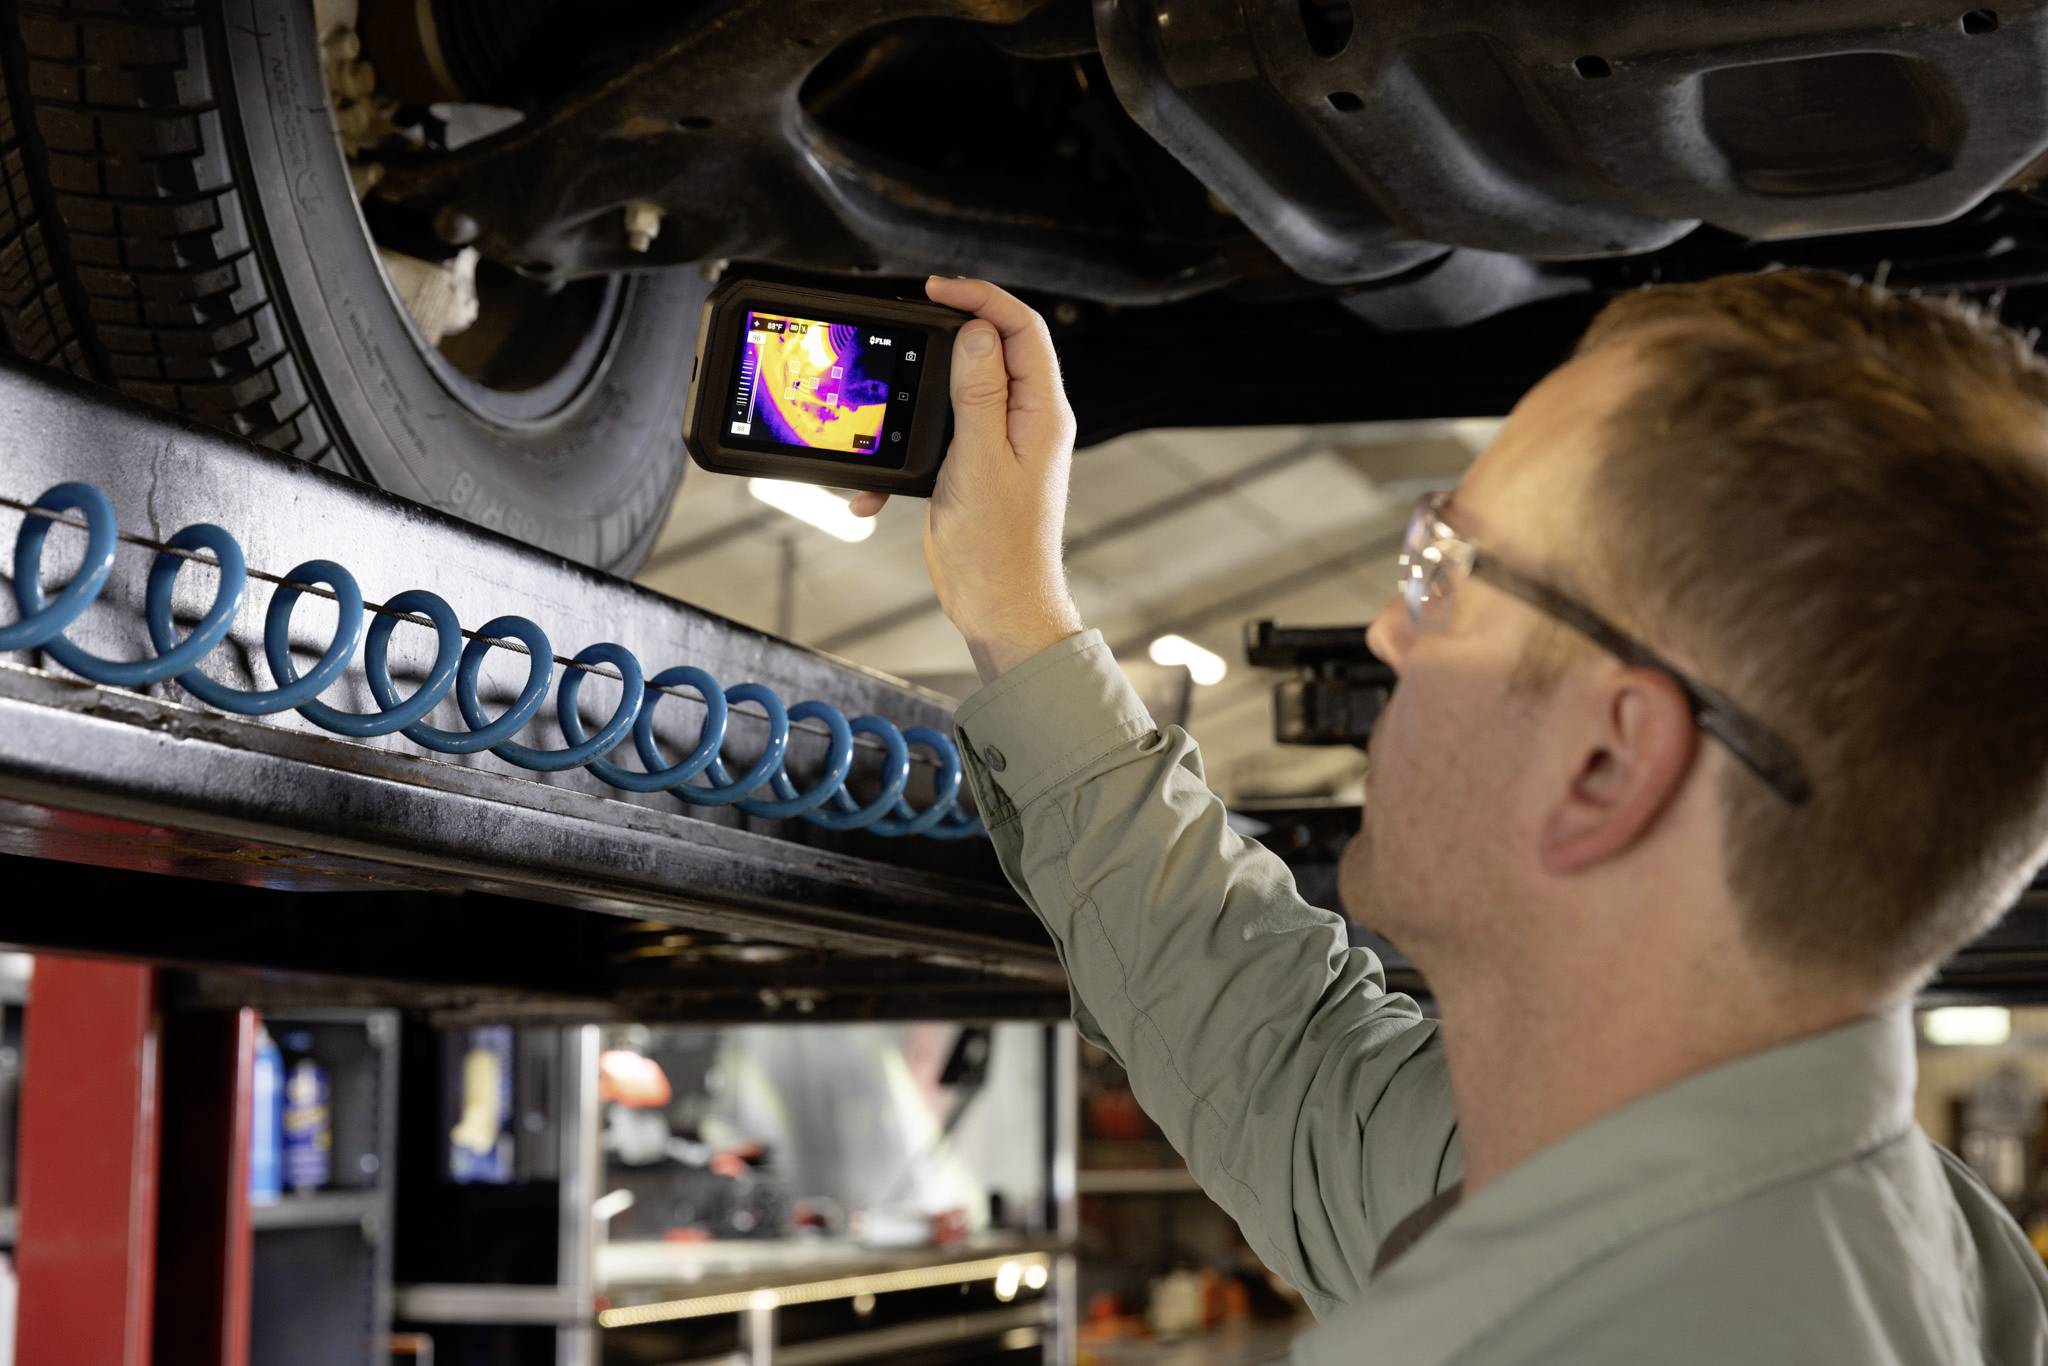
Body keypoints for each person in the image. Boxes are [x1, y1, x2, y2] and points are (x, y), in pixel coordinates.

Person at [850, 270, 2048, 1363]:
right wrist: (1020, 612)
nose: (1388, 630)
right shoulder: (1902, 1238)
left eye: (1446, 571)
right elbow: (1285, 1069)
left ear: (1605, 763)